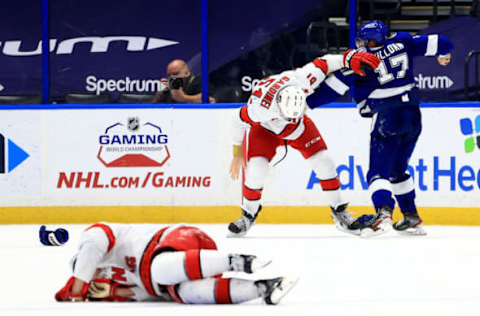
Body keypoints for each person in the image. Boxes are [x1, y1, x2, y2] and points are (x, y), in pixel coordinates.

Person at [308, 20, 453, 236]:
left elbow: (330, 90)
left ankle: (383, 214)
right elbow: (443, 42)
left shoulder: (362, 60)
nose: (363, 44)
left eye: (365, 40)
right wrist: (445, 54)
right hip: (413, 114)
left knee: (377, 173)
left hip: (387, 115)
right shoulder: (403, 41)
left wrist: (303, 104)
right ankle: (411, 217)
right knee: (398, 170)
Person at [227, 49, 380, 237]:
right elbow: (236, 118)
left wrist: (349, 58)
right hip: (265, 129)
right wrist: (237, 153)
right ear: (279, 105)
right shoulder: (260, 108)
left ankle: (339, 212)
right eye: (286, 114)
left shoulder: (302, 80)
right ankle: (248, 214)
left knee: (325, 162)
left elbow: (326, 62)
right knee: (256, 169)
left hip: (298, 127)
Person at [54, 223, 297, 304]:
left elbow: (92, 247)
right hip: (182, 270)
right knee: (186, 293)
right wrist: (115, 292)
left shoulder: (96, 236)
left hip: (177, 241)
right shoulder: (114, 277)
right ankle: (265, 289)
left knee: (158, 270)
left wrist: (78, 287)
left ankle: (238, 261)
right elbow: (147, 294)